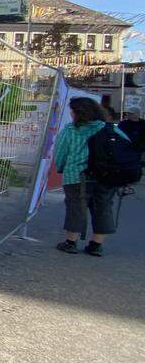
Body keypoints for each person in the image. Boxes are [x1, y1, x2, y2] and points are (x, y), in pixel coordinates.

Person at [53, 97, 130, 256]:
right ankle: (96, 245)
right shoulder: (110, 129)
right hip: (106, 177)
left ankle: (71, 242)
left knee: (76, 208)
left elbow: (60, 154)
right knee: (103, 208)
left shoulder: (70, 130)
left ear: (76, 113)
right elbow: (126, 148)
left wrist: (61, 168)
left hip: (77, 176)